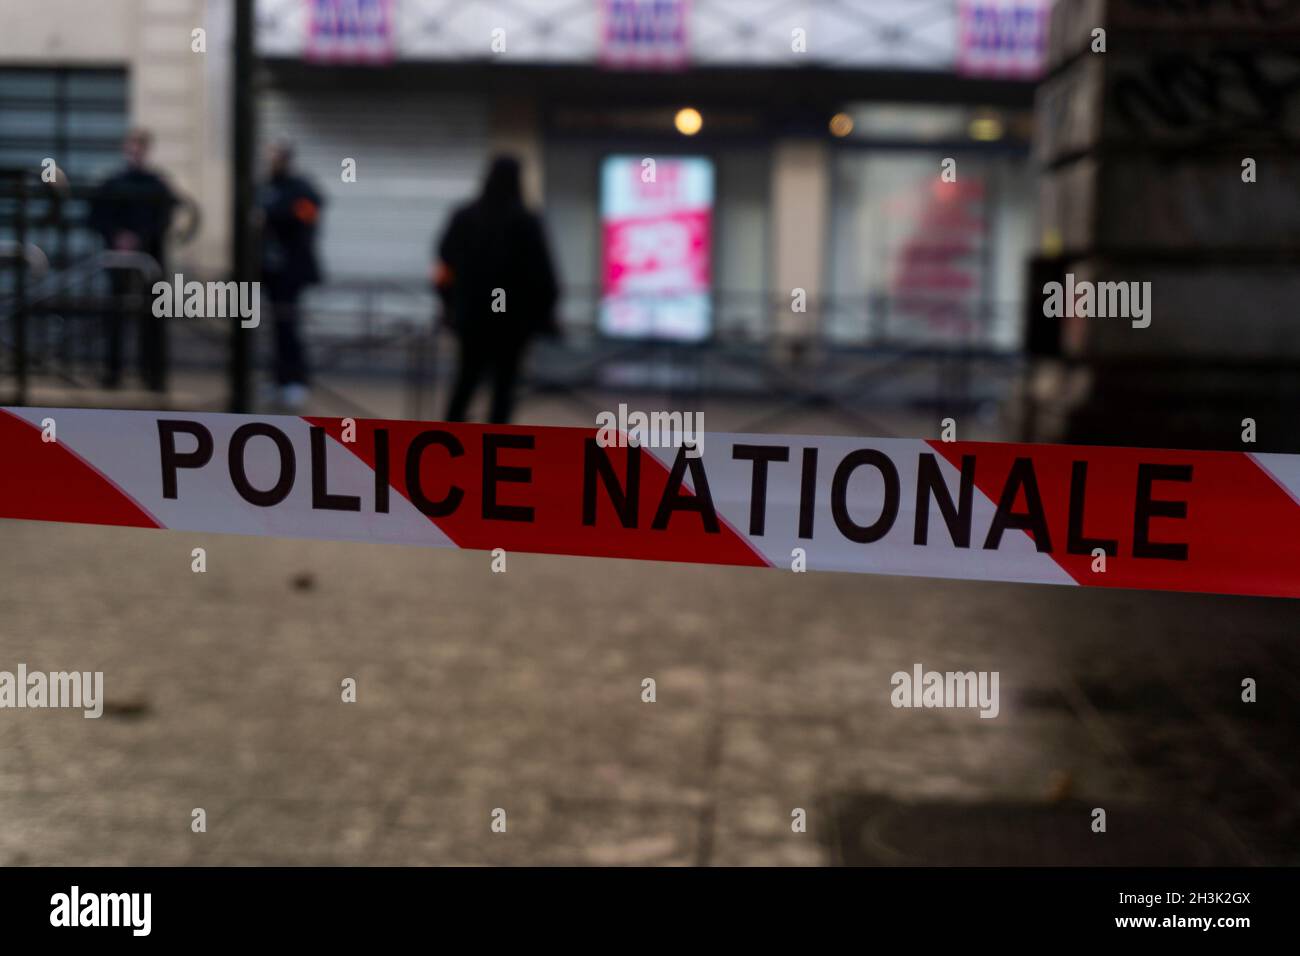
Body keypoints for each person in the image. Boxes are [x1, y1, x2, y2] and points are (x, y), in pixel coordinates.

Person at [434, 155, 559, 424]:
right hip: (512, 323)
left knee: (465, 382)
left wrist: (448, 306)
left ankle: (449, 445)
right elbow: (543, 276)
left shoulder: (465, 217)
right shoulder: (525, 221)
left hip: (472, 318)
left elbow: (443, 266)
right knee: (504, 390)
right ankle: (495, 453)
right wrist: (545, 315)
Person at [88, 127, 177, 391]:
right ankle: (113, 372)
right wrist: (118, 236)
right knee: (115, 314)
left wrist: (139, 238)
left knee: (152, 317)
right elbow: (96, 217)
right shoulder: (112, 183)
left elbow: (163, 219)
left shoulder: (157, 184)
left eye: (140, 146)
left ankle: (152, 375)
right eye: (132, 145)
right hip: (118, 260)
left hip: (150, 262)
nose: (135, 151)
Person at [258, 141, 324, 410]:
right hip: (270, 270)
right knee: (277, 328)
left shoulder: (300, 188)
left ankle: (296, 380)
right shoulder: (265, 187)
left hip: (291, 270)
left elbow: (309, 215)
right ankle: (279, 379)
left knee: (289, 326)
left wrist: (278, 215)